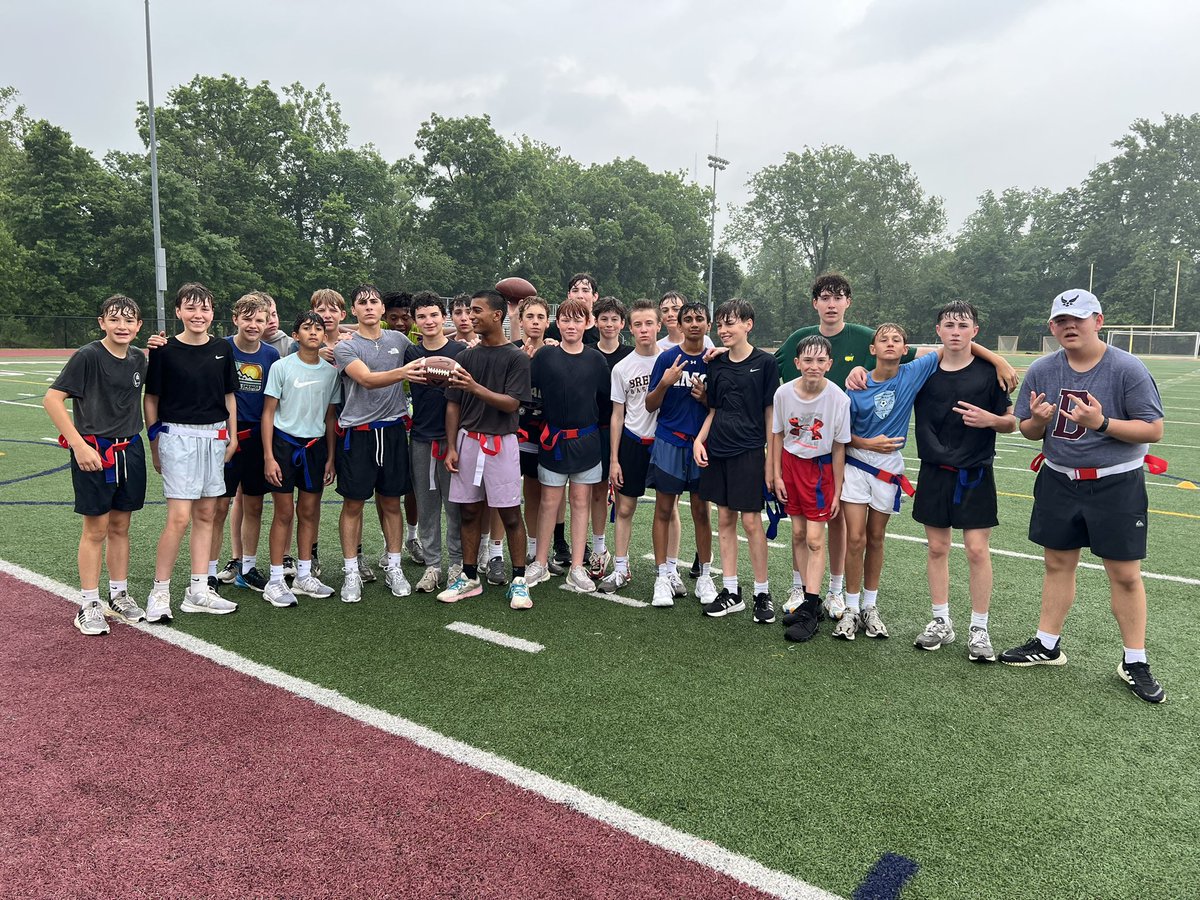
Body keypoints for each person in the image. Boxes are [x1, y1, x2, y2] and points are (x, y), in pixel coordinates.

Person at [1000, 289, 1167, 704]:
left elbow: (1153, 429)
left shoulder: (1126, 368)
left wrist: (1103, 422)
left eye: (1078, 318)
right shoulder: (1042, 369)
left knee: (1125, 574)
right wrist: (1036, 423)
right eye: (1061, 320)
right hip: (1059, 478)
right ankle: (1047, 643)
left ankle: (1134, 659)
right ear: (1052, 326)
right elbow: (1028, 430)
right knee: (1057, 563)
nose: (1069, 326)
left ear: (1098, 320)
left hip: (1115, 481)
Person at [911, 301, 1015, 662]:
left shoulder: (990, 373)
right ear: (938, 330)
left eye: (963, 325)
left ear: (975, 331)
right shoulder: (923, 368)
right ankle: (941, 620)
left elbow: (1012, 421)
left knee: (976, 550)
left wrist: (992, 420)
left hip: (975, 473)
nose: (955, 331)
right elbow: (883, 353)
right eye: (948, 324)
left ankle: (979, 627)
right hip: (934, 470)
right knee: (937, 548)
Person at [44, 294, 150, 634]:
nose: (122, 326)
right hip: (95, 452)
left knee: (121, 526)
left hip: (130, 449)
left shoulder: (138, 358)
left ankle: (118, 593)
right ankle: (89, 603)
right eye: (114, 319)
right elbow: (52, 399)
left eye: (129, 320)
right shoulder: (88, 356)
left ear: (138, 325)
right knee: (96, 529)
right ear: (102, 322)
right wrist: (78, 445)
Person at [836, 323, 943, 641]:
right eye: (883, 339)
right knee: (855, 539)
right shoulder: (855, 384)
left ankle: (870, 607)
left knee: (876, 538)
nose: (891, 344)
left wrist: (1001, 361)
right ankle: (851, 608)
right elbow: (841, 436)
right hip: (856, 465)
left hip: (888, 469)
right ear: (873, 350)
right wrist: (868, 444)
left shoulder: (911, 373)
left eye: (897, 340)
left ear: (904, 348)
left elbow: (954, 346)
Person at [143, 282, 239, 621]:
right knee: (179, 518)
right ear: (179, 312)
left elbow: (229, 395)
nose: (198, 315)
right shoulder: (164, 350)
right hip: (176, 436)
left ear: (212, 314)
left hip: (214, 436)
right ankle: (159, 591)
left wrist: (233, 435)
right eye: (191, 308)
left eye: (205, 309)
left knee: (206, 515)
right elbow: (151, 399)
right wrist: (156, 444)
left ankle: (198, 589)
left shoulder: (223, 349)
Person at [332, 283, 426, 602]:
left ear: (382, 310)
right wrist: (405, 371)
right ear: (354, 310)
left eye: (374, 302)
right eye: (362, 302)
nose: (369, 306)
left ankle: (394, 566)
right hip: (359, 434)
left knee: (391, 503)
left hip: (394, 431)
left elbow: (435, 340)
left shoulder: (398, 340)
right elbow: (367, 380)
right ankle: (351, 572)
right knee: (354, 504)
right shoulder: (347, 346)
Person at [441, 289, 533, 609]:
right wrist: (451, 446)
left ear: (497, 315)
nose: (471, 316)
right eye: (468, 311)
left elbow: (512, 404)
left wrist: (475, 387)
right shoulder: (465, 357)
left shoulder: (516, 357)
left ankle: (519, 580)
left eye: (477, 310)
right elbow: (453, 405)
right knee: (468, 510)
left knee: (509, 513)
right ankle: (469, 577)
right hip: (468, 442)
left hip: (501, 444)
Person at [694, 299, 780, 622]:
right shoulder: (715, 364)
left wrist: (771, 461)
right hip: (718, 450)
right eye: (720, 324)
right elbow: (714, 410)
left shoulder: (766, 363)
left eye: (730, 323)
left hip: (749, 451)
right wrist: (698, 441)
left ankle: (762, 592)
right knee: (725, 520)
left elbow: (770, 414)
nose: (724, 330)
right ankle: (731, 591)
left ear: (748, 324)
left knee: (751, 521)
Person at [525, 299, 611, 593]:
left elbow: (604, 403)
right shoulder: (545, 357)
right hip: (553, 442)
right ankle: (539, 562)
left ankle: (577, 567)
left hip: (587, 443)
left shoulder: (596, 360)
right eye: (566, 320)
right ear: (557, 323)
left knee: (580, 502)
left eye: (578, 319)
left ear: (588, 322)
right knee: (549, 502)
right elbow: (528, 391)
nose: (571, 325)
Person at [769, 335, 850, 642]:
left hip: (820, 469)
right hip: (791, 466)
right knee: (799, 534)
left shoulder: (838, 399)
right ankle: (805, 598)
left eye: (820, 361)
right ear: (797, 363)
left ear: (829, 364)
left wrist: (836, 489)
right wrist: (776, 474)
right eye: (807, 360)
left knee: (816, 539)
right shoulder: (783, 393)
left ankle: (812, 607)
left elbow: (840, 447)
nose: (813, 366)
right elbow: (777, 435)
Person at [260, 311, 341, 607]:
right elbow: (268, 413)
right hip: (283, 445)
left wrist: (331, 457)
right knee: (284, 513)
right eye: (306, 328)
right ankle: (276, 578)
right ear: (295, 335)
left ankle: (304, 575)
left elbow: (331, 417)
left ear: (324, 335)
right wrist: (268, 456)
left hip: (315, 448)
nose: (313, 333)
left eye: (318, 329)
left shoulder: (330, 372)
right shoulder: (282, 367)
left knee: (309, 511)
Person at [645, 301, 715, 608]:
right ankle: (662, 577)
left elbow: (720, 408)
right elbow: (649, 404)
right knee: (664, 508)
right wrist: (664, 383)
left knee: (701, 511)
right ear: (679, 324)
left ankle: (705, 576)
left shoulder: (715, 361)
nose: (694, 324)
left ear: (708, 325)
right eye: (688, 319)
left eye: (700, 319)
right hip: (669, 442)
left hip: (701, 445)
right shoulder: (667, 358)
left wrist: (705, 399)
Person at [211, 293, 279, 594]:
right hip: (224, 435)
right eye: (247, 318)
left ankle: (247, 568)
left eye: (260, 320)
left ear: (267, 323)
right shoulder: (221, 348)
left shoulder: (271, 356)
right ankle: (208, 572)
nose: (253, 324)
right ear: (236, 318)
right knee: (219, 506)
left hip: (256, 435)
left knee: (254, 504)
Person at [404, 291, 466, 594]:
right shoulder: (410, 354)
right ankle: (432, 566)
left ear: (443, 317)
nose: (428, 321)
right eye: (422, 316)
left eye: (433, 315)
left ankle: (456, 563)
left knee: (455, 506)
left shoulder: (461, 351)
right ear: (415, 322)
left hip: (454, 438)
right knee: (428, 506)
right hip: (421, 438)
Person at [601, 299, 663, 593]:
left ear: (659, 325)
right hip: (633, 441)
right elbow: (617, 415)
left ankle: (668, 571)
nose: (643, 329)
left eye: (649, 323)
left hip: (665, 443)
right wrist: (614, 459)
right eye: (638, 324)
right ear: (630, 328)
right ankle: (621, 568)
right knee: (625, 508)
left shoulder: (671, 358)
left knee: (668, 509)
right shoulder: (622, 368)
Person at [589, 296, 633, 579]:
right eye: (603, 318)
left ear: (622, 323)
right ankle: (598, 549)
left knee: (624, 495)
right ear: (595, 321)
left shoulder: (631, 354)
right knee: (596, 491)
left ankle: (622, 557)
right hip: (593, 430)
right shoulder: (587, 352)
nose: (608, 324)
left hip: (624, 431)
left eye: (614, 319)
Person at [515, 296, 551, 566]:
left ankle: (536, 549)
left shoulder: (555, 353)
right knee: (503, 493)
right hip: (514, 433)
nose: (535, 322)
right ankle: (492, 549)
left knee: (536, 493)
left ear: (548, 322)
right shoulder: (512, 351)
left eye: (540, 317)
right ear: (520, 320)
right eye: (530, 317)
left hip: (544, 435)